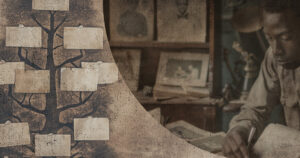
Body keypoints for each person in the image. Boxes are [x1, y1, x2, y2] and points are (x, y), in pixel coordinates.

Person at [222, 0, 300, 158]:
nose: (276, 49)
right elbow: (254, 109)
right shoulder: (274, 59)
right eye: (269, 37)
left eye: (285, 37)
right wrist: (238, 131)